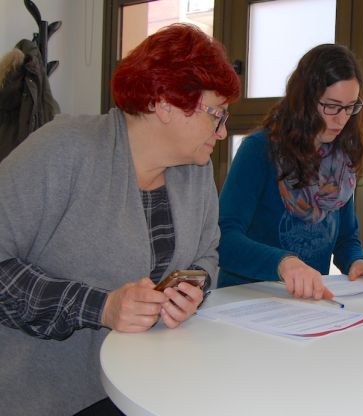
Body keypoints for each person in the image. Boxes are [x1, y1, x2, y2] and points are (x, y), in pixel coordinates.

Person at [0, 24, 240, 415]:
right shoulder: (64, 149)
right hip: (46, 395)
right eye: (217, 115)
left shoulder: (196, 174)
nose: (223, 131)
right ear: (165, 103)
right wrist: (101, 307)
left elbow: (207, 255)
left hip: (145, 386)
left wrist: (193, 290)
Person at [218, 43, 363, 299]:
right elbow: (224, 239)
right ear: (304, 100)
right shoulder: (259, 150)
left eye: (350, 107)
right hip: (246, 301)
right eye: (332, 106)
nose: (342, 118)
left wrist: (357, 261)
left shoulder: (340, 162)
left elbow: (346, 239)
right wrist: (283, 262)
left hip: (304, 306)